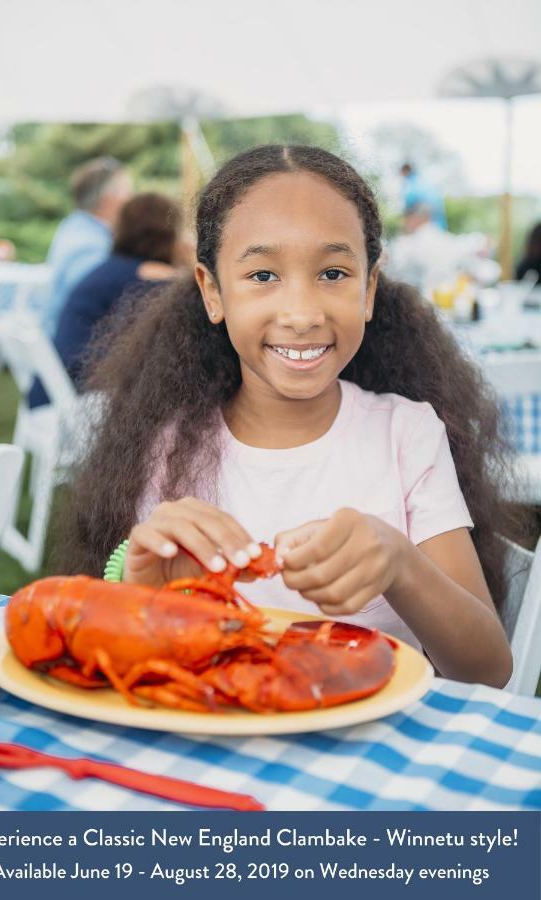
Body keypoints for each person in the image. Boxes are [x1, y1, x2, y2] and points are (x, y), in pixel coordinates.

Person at [57, 145, 532, 688]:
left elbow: (489, 670)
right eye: (262, 276)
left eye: (333, 272)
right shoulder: (169, 445)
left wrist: (401, 565)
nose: (303, 314)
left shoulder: (408, 435)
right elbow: (124, 649)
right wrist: (138, 581)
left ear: (369, 289)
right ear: (213, 292)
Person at [28, 192, 185, 408]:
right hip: (81, 397)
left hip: (54, 390)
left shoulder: (114, 268)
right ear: (166, 234)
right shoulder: (148, 275)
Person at [42, 157, 132, 336]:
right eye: (128, 193)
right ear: (109, 199)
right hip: (77, 352)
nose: (131, 202)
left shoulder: (72, 228)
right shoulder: (91, 248)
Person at [399, 163, 446, 230]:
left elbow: (409, 204)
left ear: (404, 172)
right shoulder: (422, 179)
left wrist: (405, 222)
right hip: (439, 222)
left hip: (429, 214)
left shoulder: (411, 185)